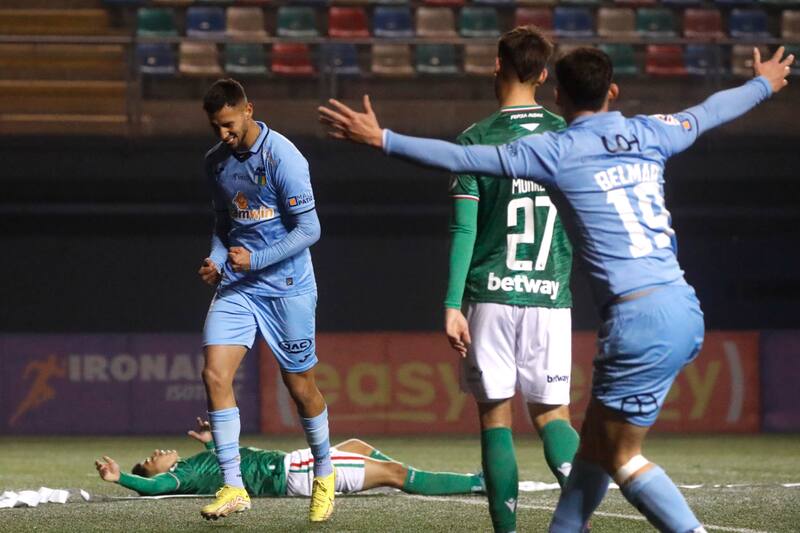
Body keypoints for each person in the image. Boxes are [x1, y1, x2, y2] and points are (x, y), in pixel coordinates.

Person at [318, 47, 793, 532]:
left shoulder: (556, 150)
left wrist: (383, 139)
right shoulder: (653, 131)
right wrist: (763, 84)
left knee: (622, 459)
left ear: (559, 95)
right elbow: (710, 111)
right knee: (588, 453)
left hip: (634, 320)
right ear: (613, 91)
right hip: (684, 307)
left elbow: (461, 157)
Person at [443, 26, 579, 533]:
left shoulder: (476, 141)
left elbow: (464, 229)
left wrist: (451, 304)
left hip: (489, 299)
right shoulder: (567, 136)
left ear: (496, 65)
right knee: (553, 417)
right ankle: (580, 518)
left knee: (495, 420)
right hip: (551, 293)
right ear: (544, 75)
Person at [198, 78, 334, 522]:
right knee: (215, 374)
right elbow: (224, 223)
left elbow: (310, 230)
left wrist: (256, 259)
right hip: (239, 286)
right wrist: (217, 261)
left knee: (301, 389)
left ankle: (325, 473)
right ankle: (233, 485)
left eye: (230, 124)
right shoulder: (216, 162)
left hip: (288, 287)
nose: (224, 134)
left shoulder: (285, 157)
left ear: (249, 109)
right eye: (217, 126)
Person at [94, 418, 484, 501]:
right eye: (150, 460)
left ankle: (383, 473)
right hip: (298, 473)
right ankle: (477, 482)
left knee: (358, 445)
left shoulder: (197, 465)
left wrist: (213, 442)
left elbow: (230, 463)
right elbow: (154, 487)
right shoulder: (179, 477)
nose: (156, 455)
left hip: (294, 463)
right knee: (397, 475)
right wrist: (121, 479)